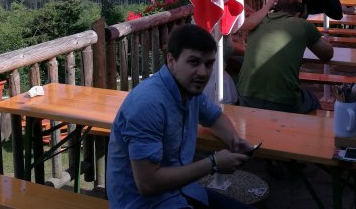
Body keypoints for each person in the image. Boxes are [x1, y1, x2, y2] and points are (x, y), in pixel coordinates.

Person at [106, 23, 254, 209]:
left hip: (182, 191)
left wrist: (234, 140)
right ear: (171, 60)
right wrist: (213, 164)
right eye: (193, 62)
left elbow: (215, 117)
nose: (203, 72)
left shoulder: (189, 89)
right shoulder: (148, 104)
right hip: (145, 203)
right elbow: (148, 184)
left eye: (208, 64)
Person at [236, 0, 334, 115]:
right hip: (283, 101)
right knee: (312, 99)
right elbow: (327, 54)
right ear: (298, 14)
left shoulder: (257, 22)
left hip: (245, 97)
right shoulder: (303, 25)